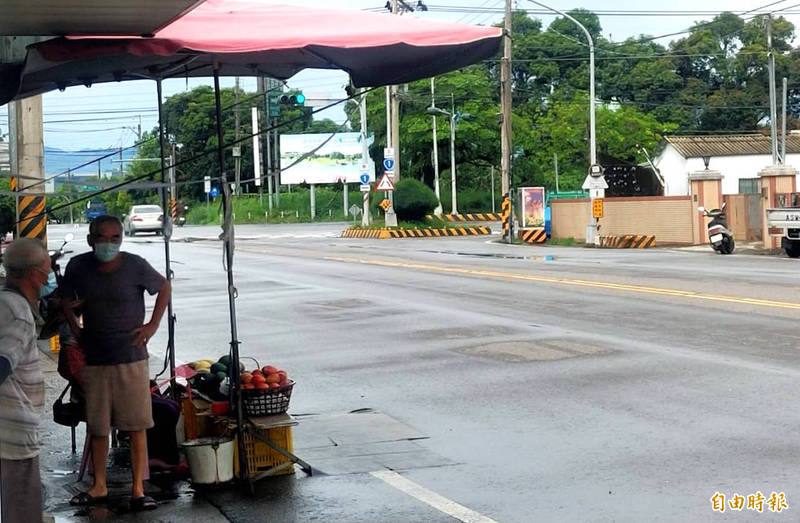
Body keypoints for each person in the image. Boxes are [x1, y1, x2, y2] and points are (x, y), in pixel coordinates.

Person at [61, 215, 170, 511]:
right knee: (98, 427)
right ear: (90, 239)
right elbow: (64, 298)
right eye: (101, 237)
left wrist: (151, 326)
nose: (108, 244)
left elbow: (164, 288)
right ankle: (99, 487)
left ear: (121, 239)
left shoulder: (135, 266)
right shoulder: (78, 267)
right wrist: (75, 328)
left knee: (136, 426)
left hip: (131, 359)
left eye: (114, 238)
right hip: (95, 360)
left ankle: (138, 489)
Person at [0, 238, 51, 523]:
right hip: (12, 429)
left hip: (8, 426)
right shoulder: (18, 313)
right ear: (34, 273)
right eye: (47, 270)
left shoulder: (6, 302)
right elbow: (3, 362)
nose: (49, 276)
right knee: (22, 509)